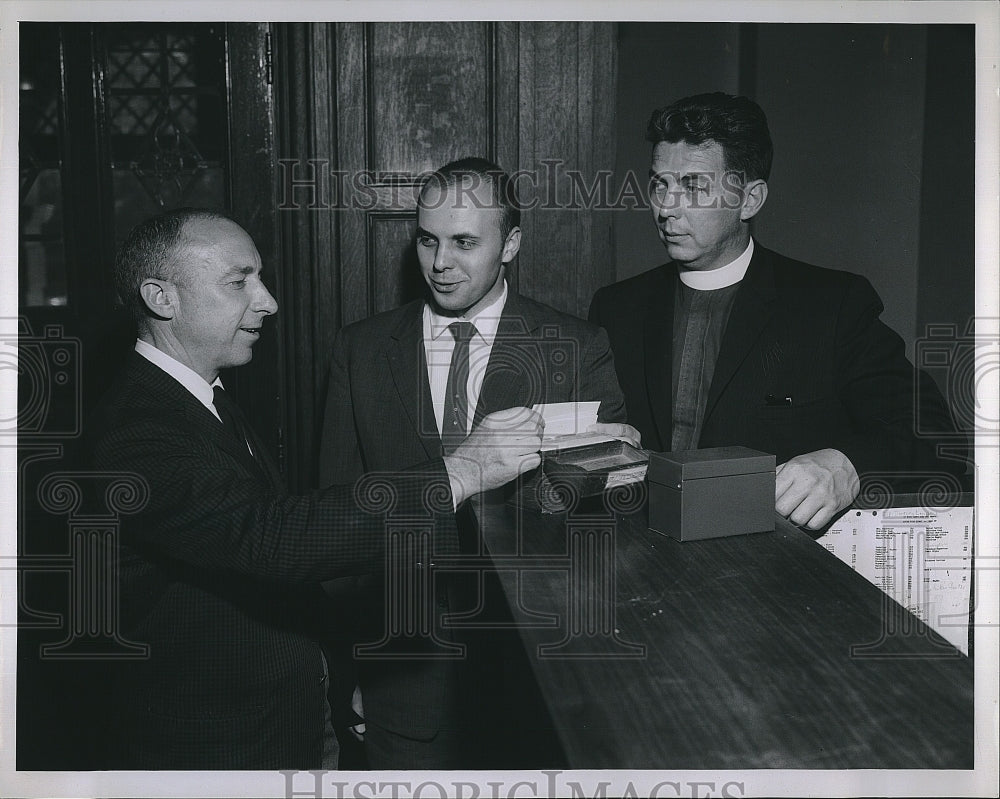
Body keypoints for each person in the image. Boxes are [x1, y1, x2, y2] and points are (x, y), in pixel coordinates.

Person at [88, 207, 543, 770]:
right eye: (239, 282)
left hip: (286, 719)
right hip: (217, 748)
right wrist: (463, 471)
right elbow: (271, 540)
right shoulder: (134, 430)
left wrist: (339, 677)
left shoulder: (204, 398)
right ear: (162, 298)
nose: (268, 301)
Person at [318, 157, 637, 768]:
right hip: (404, 683)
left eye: (465, 242)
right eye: (428, 240)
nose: (441, 263)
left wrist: (616, 464)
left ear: (510, 244)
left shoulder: (576, 348)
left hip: (537, 683)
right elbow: (335, 527)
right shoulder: (359, 350)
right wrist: (351, 671)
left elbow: (605, 529)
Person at [589, 92, 965, 533]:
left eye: (692, 186)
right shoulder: (616, 307)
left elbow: (937, 438)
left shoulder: (831, 303)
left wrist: (847, 465)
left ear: (750, 200)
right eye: (658, 184)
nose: (666, 208)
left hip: (772, 575)